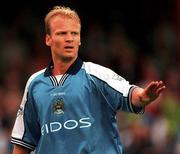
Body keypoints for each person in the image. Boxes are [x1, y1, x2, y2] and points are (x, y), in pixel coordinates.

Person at [11, 6, 166, 154]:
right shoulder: (35, 84)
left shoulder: (96, 74)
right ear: (48, 39)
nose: (69, 39)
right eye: (62, 33)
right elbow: (23, 142)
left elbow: (129, 93)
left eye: (74, 33)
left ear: (79, 39)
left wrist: (143, 96)